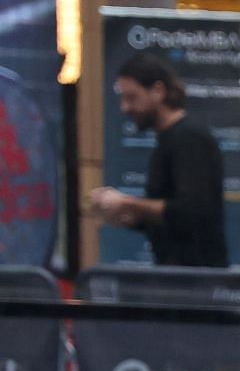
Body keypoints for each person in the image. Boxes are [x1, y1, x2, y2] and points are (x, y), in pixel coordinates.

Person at [87, 54, 227, 268]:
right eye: (123, 98)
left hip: (198, 280)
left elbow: (193, 211)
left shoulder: (189, 139)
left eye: (132, 98)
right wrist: (131, 217)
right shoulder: (167, 140)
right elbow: (173, 218)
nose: (125, 108)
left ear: (158, 91)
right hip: (177, 276)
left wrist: (127, 203)